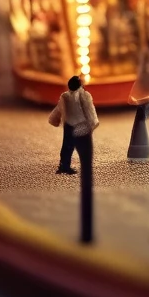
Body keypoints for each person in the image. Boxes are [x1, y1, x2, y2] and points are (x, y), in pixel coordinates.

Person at [50, 76, 99, 244]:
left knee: (67, 146)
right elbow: (90, 111)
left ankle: (64, 164)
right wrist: (92, 124)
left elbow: (58, 109)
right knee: (83, 151)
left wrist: (55, 119)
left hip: (69, 125)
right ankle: (75, 166)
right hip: (81, 125)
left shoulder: (65, 96)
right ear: (80, 85)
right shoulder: (84, 95)